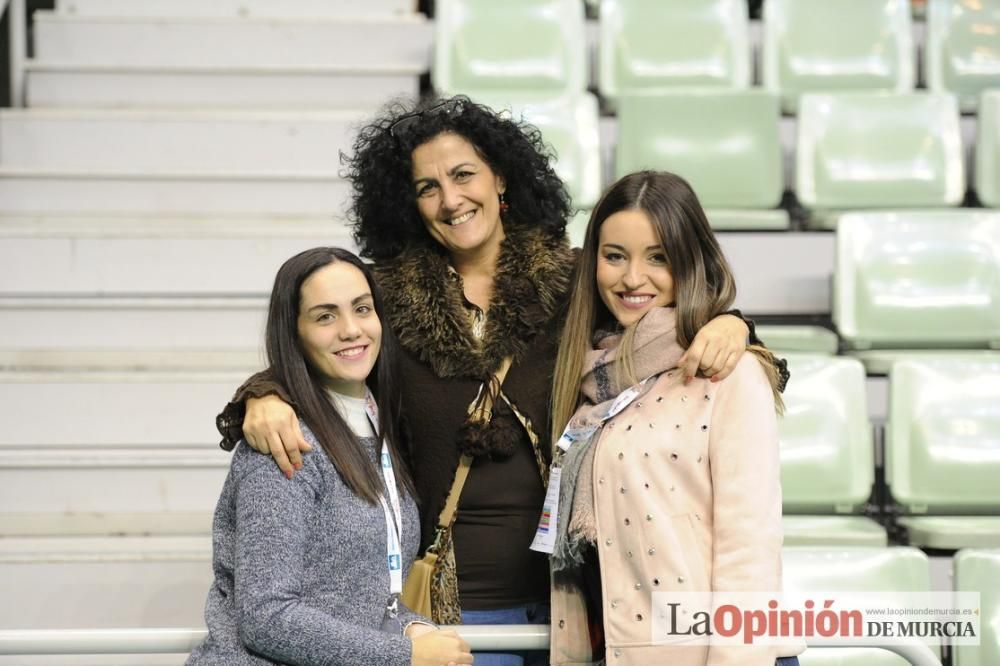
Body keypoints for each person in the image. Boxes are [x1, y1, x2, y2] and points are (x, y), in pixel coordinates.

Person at [216, 97, 765, 665]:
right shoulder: (383, 295)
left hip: (576, 601)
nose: (450, 199)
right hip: (447, 611)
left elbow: (661, 325)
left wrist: (733, 324)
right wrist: (264, 394)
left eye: (462, 175)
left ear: (500, 177)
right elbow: (324, 347)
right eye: (427, 187)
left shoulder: (576, 280)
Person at [545, 171, 803, 665]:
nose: (631, 278)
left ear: (690, 262)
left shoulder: (729, 369)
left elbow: (748, 549)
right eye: (614, 255)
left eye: (658, 257)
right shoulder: (588, 372)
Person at [189, 247, 472, 666]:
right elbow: (266, 616)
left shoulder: (376, 427)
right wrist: (404, 654)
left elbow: (351, 600)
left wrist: (408, 625)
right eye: (325, 316)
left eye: (362, 308)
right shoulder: (285, 444)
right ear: (294, 333)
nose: (351, 329)